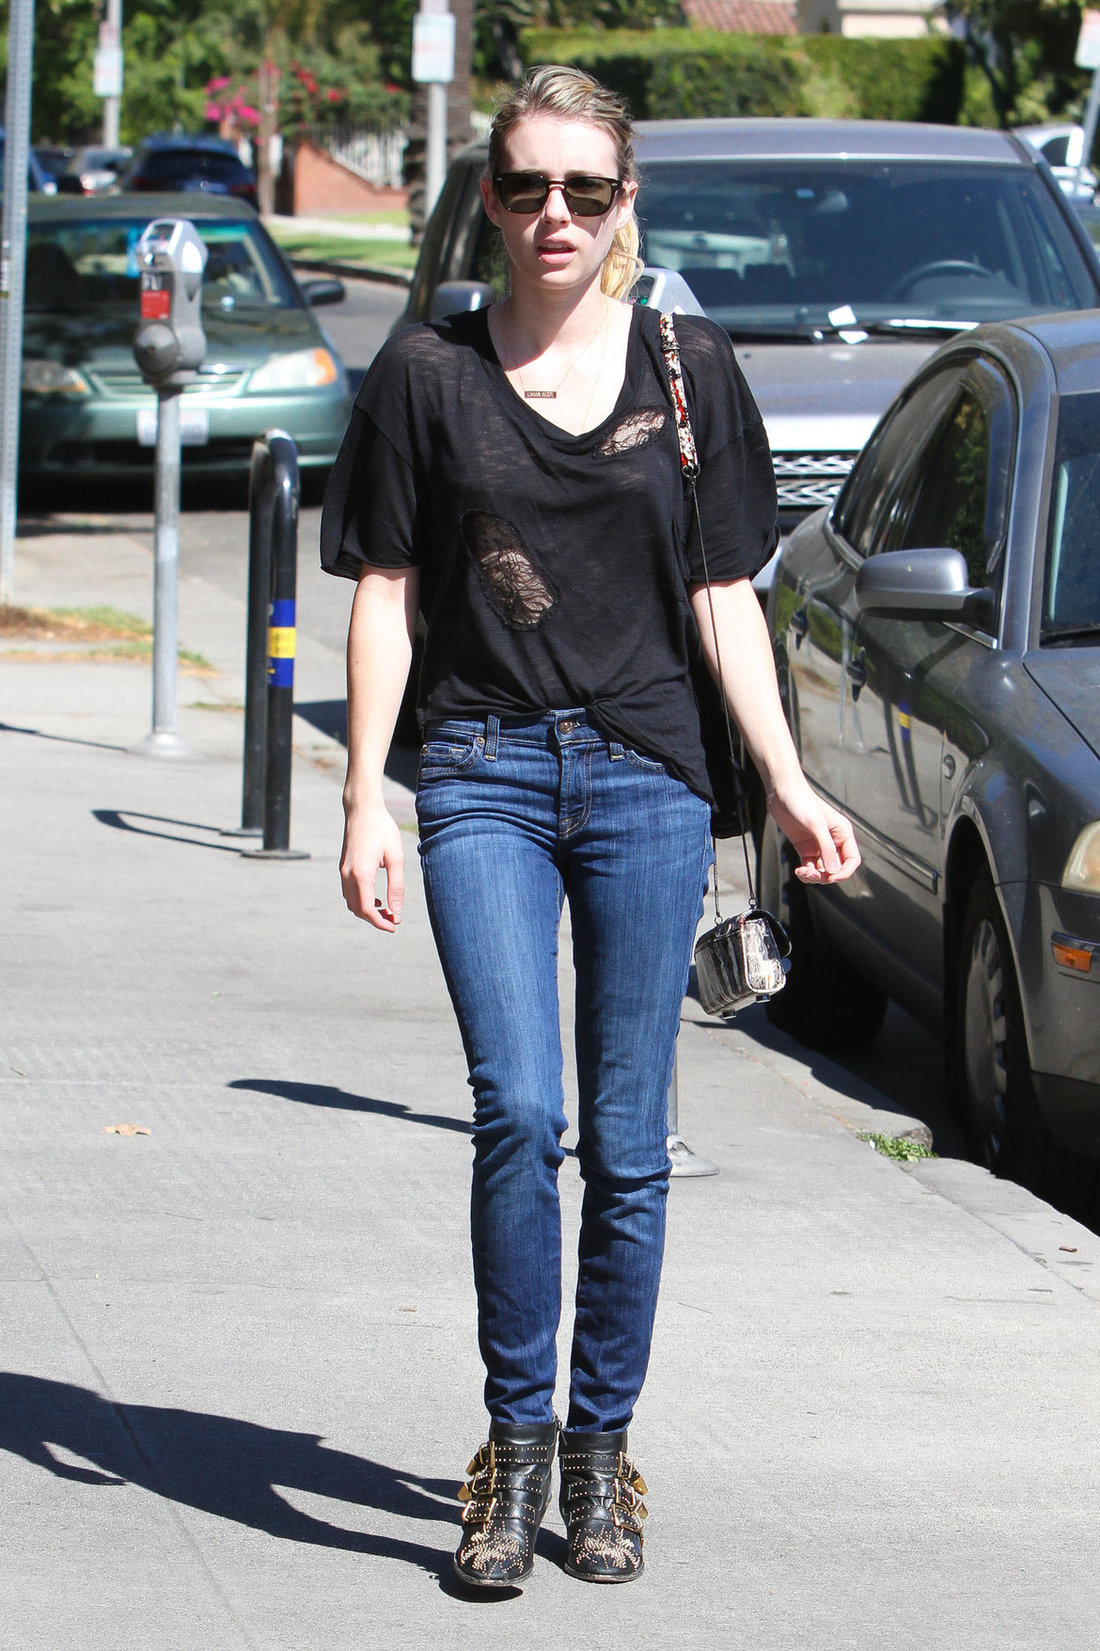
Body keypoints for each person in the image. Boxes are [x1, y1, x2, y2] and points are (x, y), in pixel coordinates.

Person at [321, 64, 859, 1591]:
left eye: (586, 189)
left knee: (627, 1144)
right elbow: (386, 593)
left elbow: (721, 598)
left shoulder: (688, 368)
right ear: (486, 198)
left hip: (647, 777)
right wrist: (366, 793)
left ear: (626, 207)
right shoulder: (427, 372)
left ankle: (602, 1448)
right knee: (518, 1116)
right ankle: (512, 1451)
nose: (553, 213)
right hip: (479, 770)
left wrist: (793, 779)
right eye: (525, 185)